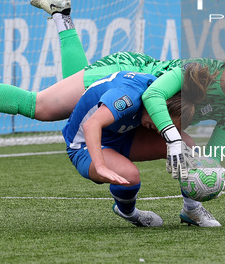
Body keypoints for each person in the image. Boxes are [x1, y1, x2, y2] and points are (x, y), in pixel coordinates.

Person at [0, 0, 225, 226]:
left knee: (191, 151)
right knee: (42, 107)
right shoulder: (199, 69)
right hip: (129, 82)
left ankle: (192, 211)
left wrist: (210, 174)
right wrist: (172, 138)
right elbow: (156, 96)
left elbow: (214, 153)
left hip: (147, 113)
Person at [63, 70, 191, 227]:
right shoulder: (128, 96)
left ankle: (192, 209)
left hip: (123, 133)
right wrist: (100, 166)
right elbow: (91, 125)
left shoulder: (160, 92)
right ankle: (129, 213)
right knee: (129, 176)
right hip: (84, 143)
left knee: (187, 147)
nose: (160, 130)